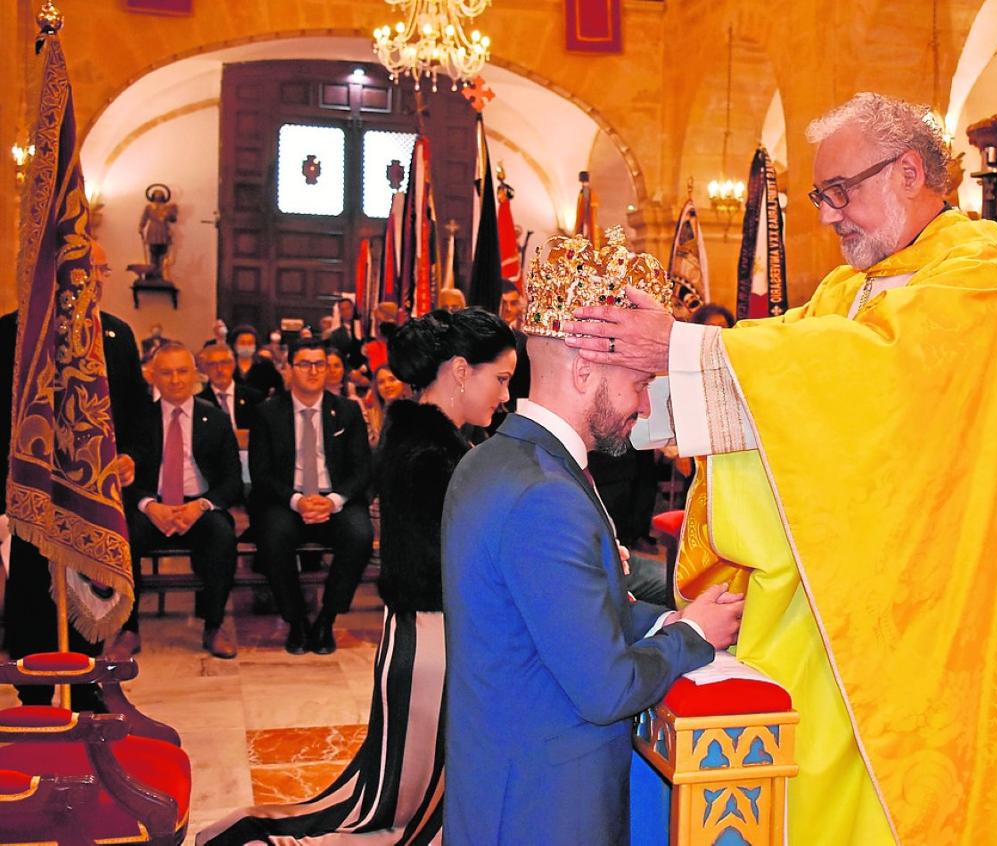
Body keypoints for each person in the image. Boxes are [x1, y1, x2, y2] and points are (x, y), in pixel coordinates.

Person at [564, 93, 997, 844]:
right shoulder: (850, 289)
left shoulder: (982, 280)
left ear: (910, 171)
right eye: (820, 195)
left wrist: (682, 347)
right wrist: (646, 366)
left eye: (840, 191)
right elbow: (782, 377)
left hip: (937, 609)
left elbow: (870, 381)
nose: (829, 214)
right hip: (840, 586)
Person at [441, 231, 744, 844]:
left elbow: (558, 620)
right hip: (547, 805)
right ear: (584, 369)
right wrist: (690, 637)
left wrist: (664, 621)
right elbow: (608, 688)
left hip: (499, 782)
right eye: (637, 383)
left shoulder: (494, 459)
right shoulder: (546, 494)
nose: (643, 405)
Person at [199, 309, 515, 845]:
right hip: (433, 642)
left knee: (398, 796)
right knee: (402, 815)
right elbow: (460, 557)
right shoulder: (434, 456)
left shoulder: (429, 440)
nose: (505, 396)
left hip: (423, 636)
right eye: (501, 379)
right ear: (461, 369)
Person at [1, 242, 146, 709]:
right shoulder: (12, 333)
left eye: (101, 269)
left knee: (85, 587)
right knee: (32, 591)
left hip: (91, 494)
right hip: (30, 493)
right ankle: (36, 693)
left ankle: (83, 684)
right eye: (90, 269)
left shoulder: (118, 336)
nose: (97, 277)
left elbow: (139, 416)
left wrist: (132, 458)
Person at [116, 341, 243, 660]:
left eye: (182, 371)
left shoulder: (214, 419)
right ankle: (128, 629)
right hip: (151, 505)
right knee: (123, 536)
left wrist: (201, 506)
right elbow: (119, 477)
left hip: (200, 506)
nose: (175, 380)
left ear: (195, 375)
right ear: (152, 377)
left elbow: (231, 482)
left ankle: (214, 625)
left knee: (222, 535)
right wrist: (148, 505)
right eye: (167, 373)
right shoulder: (138, 419)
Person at [248, 340, 373, 655]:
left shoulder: (346, 411)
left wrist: (332, 501)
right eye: (304, 364)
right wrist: (297, 501)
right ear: (288, 369)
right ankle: (296, 621)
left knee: (359, 534)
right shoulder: (267, 413)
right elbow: (260, 474)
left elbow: (362, 470)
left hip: (335, 500)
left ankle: (327, 619)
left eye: (320, 364)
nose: (314, 371)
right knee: (273, 536)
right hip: (286, 501)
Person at [229, 323, 284, 398]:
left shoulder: (265, 365)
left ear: (255, 345)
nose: (246, 346)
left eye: (250, 343)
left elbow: (280, 387)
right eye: (242, 343)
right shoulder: (228, 365)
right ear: (234, 345)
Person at [363, 363, 409, 448]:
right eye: (381, 382)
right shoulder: (369, 417)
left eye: (392, 379)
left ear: (403, 382)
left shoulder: (415, 411)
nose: (387, 385)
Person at [328, 297, 365, 369]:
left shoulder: (363, 328)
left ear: (353, 309)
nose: (346, 312)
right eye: (342, 310)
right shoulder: (336, 334)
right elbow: (336, 356)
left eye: (348, 308)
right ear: (340, 313)